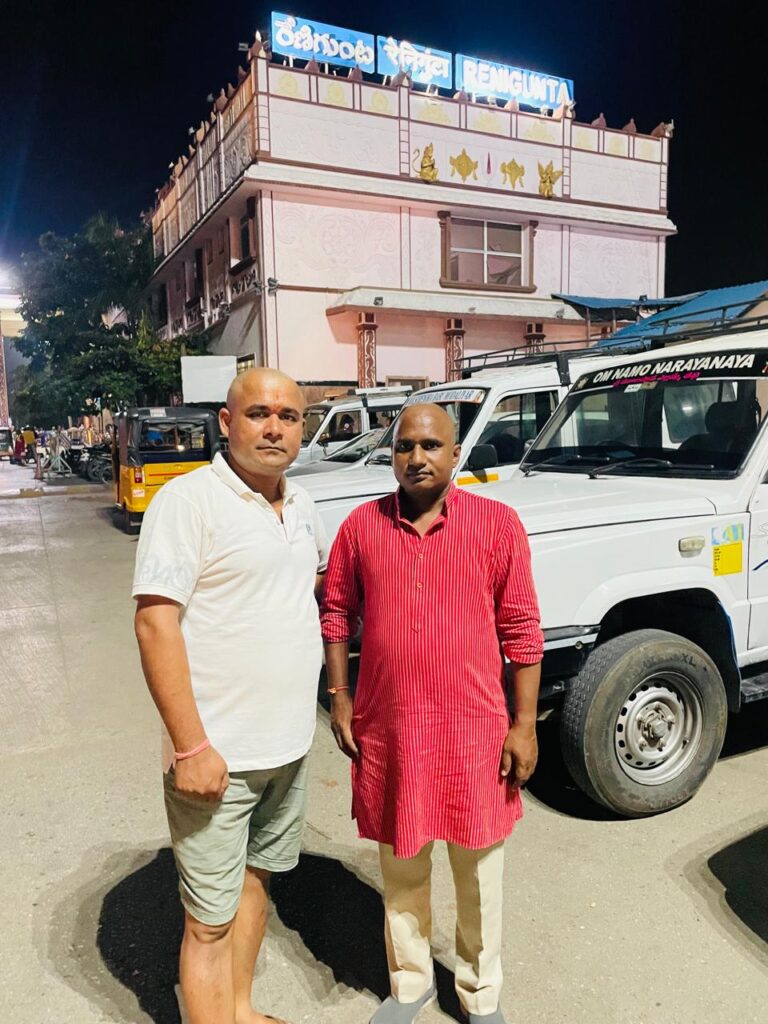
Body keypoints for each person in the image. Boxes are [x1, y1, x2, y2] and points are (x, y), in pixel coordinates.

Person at [321, 403, 543, 1024]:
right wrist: (340, 695)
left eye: (431, 446)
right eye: (404, 446)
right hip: (391, 731)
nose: (416, 458)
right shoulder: (361, 528)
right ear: (391, 454)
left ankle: (480, 994)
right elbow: (336, 611)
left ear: (456, 454)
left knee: (480, 875)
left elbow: (523, 630)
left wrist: (524, 726)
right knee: (401, 869)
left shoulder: (496, 525)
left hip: (474, 731)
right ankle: (411, 984)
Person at [133, 368, 328, 1024]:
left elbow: (302, 593)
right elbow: (155, 623)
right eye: (257, 414)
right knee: (208, 923)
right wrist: (191, 747)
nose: (274, 428)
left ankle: (239, 1010)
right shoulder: (187, 503)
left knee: (255, 882)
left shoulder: (302, 505)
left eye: (288, 416)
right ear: (226, 422)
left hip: (287, 749)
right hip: (217, 758)